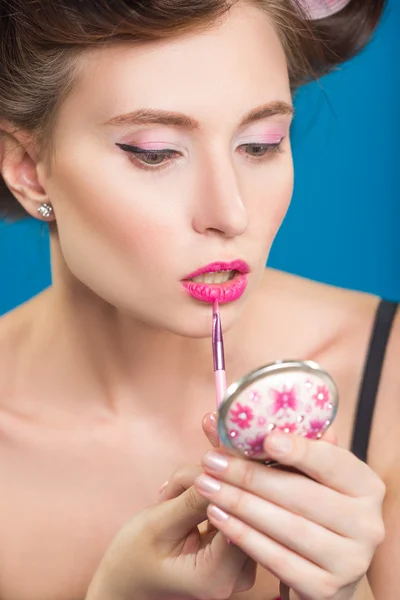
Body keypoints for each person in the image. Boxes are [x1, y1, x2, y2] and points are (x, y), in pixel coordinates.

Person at [0, 1, 397, 599]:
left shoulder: (387, 376)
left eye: (260, 144)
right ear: (29, 168)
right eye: (156, 152)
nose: (230, 213)